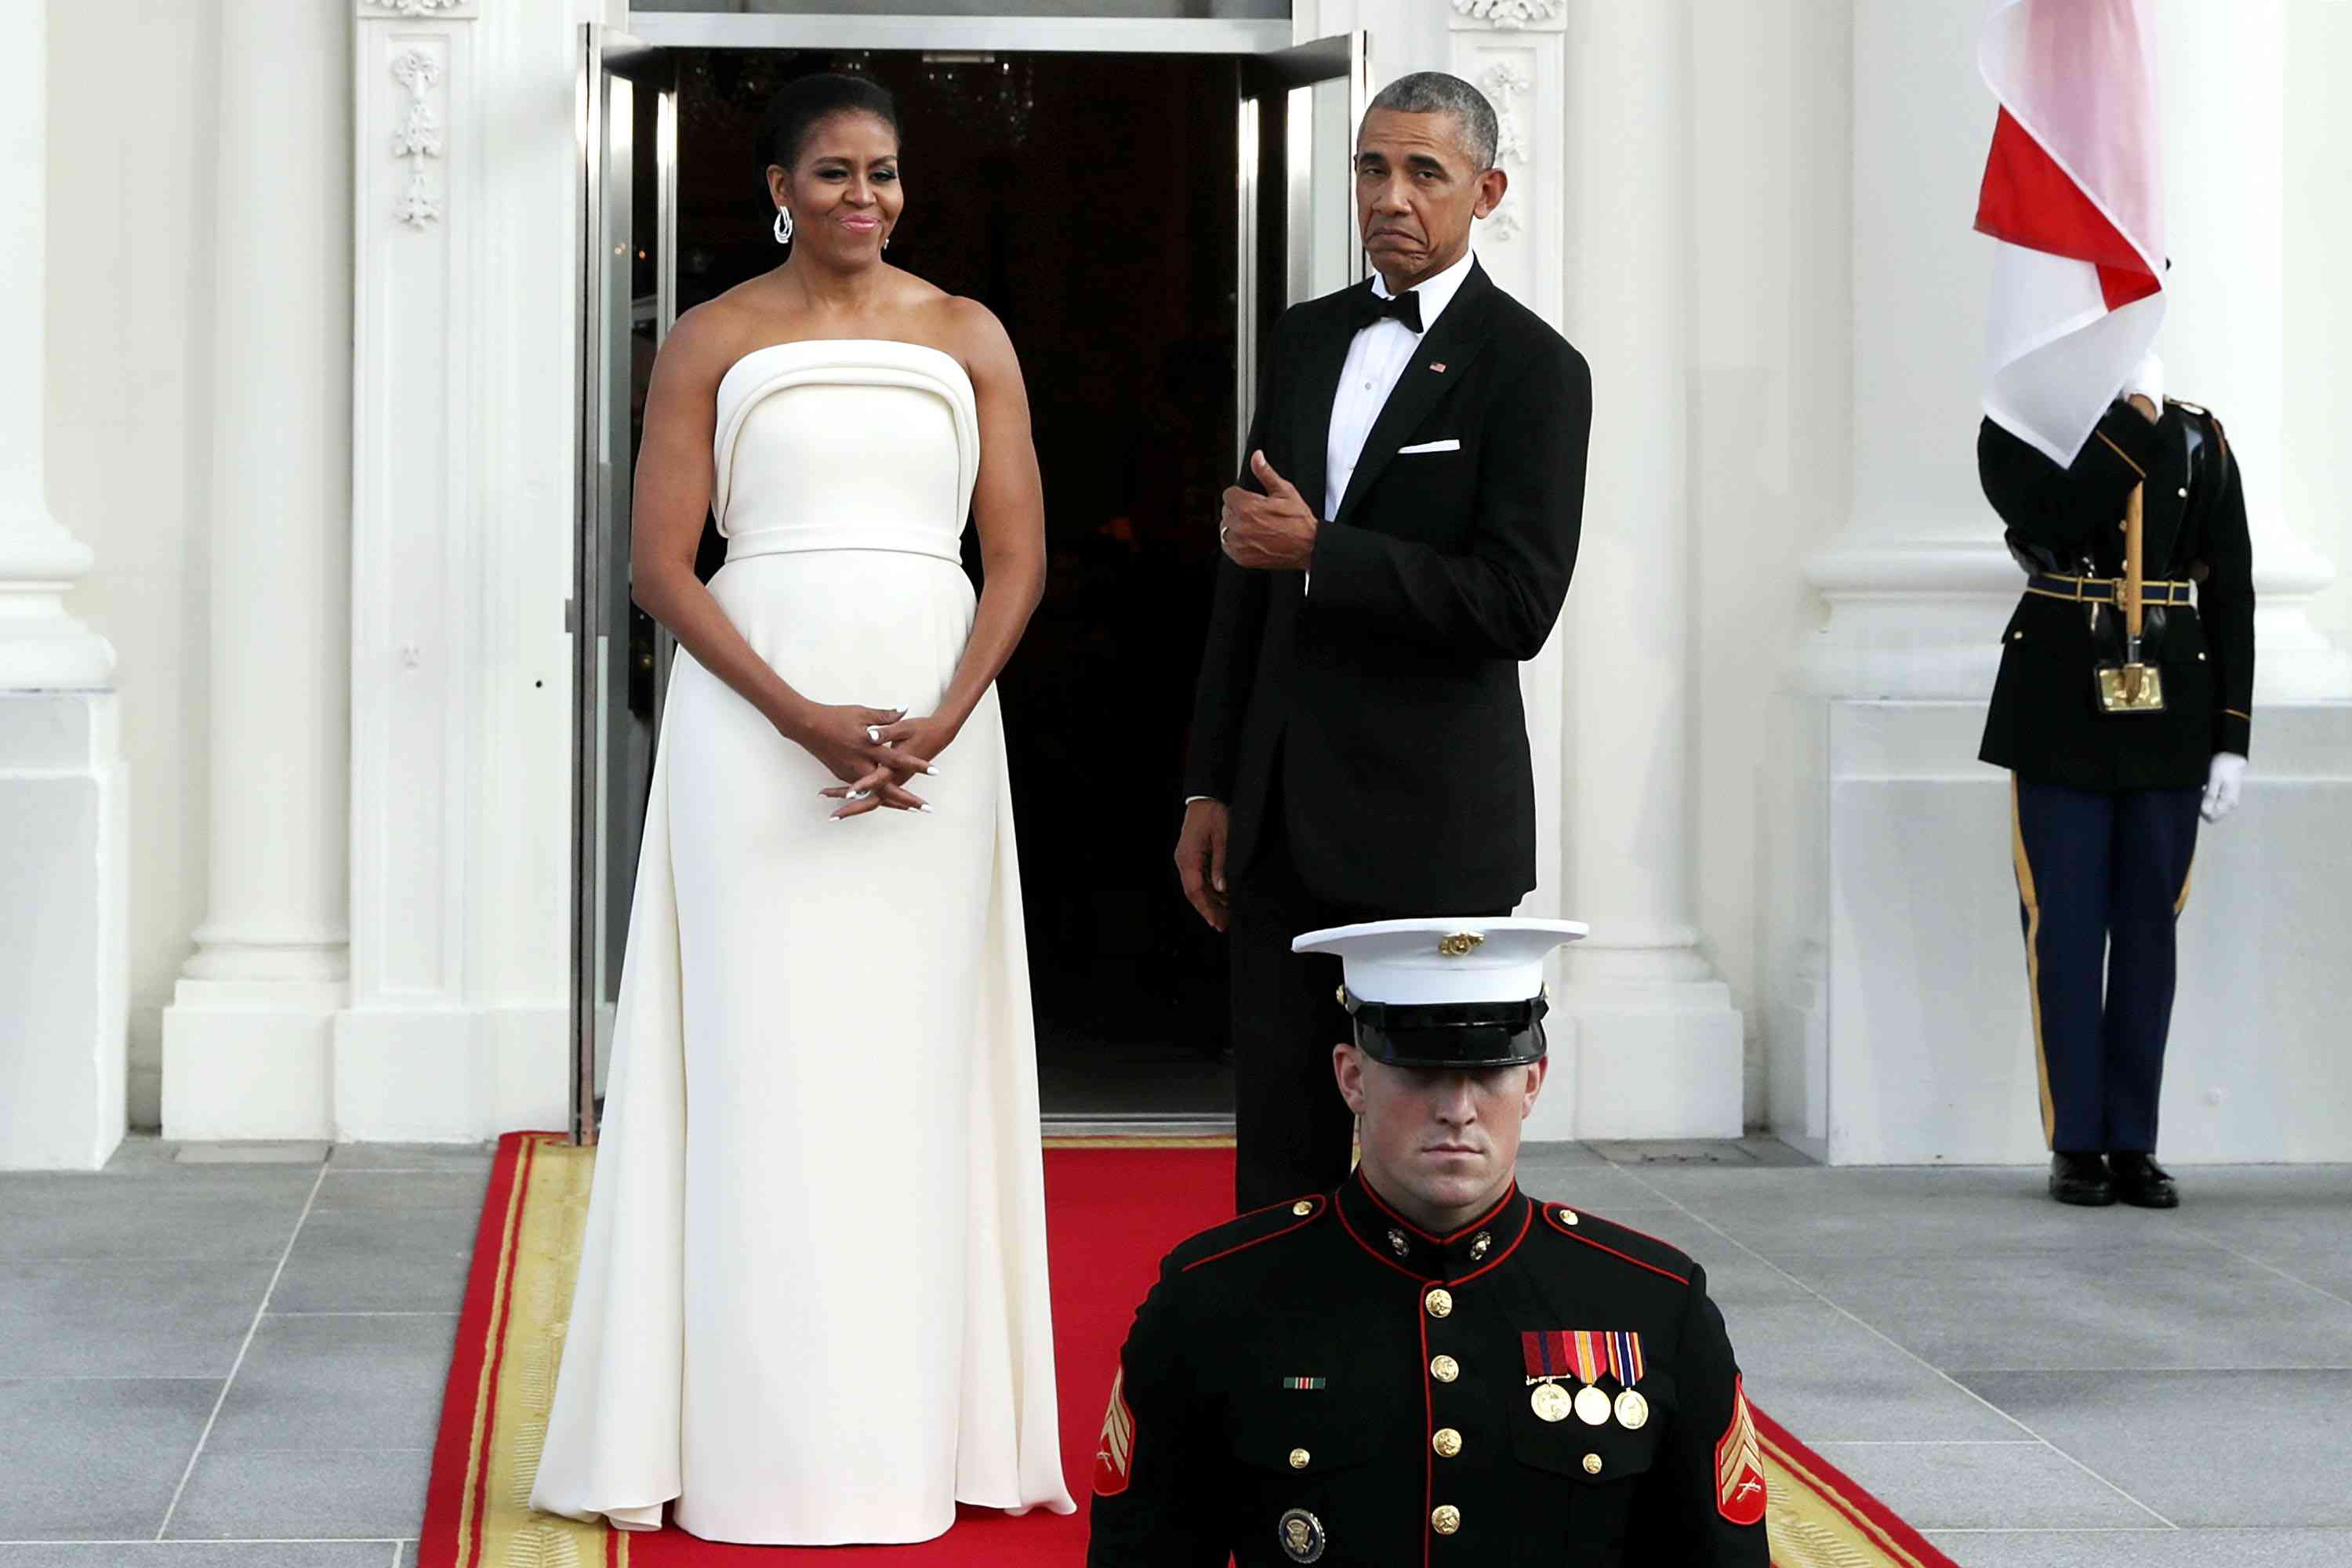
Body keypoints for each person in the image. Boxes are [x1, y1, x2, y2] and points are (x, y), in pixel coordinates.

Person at [528, 74, 1074, 1542]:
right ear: (777, 185)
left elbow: (1016, 557)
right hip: (749, 743)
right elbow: (660, 567)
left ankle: (915, 1441)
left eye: (885, 174)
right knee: (759, 1064)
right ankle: (747, 1447)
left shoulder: (969, 335)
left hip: (937, 752)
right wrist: (799, 719)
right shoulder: (714, 337)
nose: (865, 198)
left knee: (909, 1071)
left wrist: (948, 714)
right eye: (834, 172)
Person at [1173, 71, 1592, 1213]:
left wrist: (1325, 552)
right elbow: (1246, 578)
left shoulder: (1537, 370)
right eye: (1372, 167)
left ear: (1488, 190)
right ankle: (1281, 1379)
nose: (1391, 196)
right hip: (1278, 824)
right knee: (1281, 1151)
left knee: (1438, 1155)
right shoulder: (1306, 341)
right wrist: (1211, 783)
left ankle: (1424, 1381)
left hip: (1435, 828)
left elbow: (1519, 603)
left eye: (1425, 173)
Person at [1086, 917, 1769, 1566]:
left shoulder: (1652, 1303)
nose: (1459, 1109)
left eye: (1490, 1073)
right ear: (1352, 1078)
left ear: (1532, 1083)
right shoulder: (1215, 1298)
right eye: (1420, 1073)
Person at [1978, 351, 2254, 1210]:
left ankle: (2134, 1141)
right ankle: (2077, 1142)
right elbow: (2054, 511)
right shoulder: (2022, 425)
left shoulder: (2202, 439)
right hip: (2060, 705)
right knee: (2061, 931)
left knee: (2148, 932)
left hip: (2171, 709)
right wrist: (2132, 420)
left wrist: (2232, 738)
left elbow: (2232, 591)